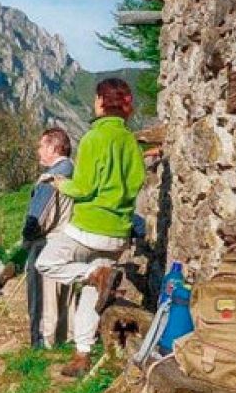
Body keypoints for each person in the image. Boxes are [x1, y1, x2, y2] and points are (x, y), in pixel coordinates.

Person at [36, 78, 146, 377]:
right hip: (118, 232)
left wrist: (60, 184)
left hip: (88, 227)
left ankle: (92, 274)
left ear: (99, 101)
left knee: (46, 262)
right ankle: (82, 354)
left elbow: (83, 188)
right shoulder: (131, 141)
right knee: (91, 292)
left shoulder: (93, 138)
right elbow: (137, 182)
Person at [23, 127, 75, 349]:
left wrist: (27, 237)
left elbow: (39, 219)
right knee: (67, 295)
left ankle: (45, 342)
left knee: (44, 298)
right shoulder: (76, 173)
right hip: (71, 240)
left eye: (41, 146)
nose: (38, 151)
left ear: (54, 148)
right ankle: (68, 337)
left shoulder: (50, 179)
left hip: (48, 244)